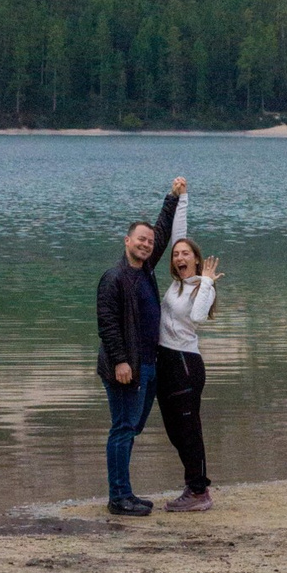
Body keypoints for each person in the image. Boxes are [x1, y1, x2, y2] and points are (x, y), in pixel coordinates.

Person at [95, 176, 184, 517]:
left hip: (148, 364)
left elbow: (161, 231)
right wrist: (120, 362)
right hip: (126, 366)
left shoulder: (146, 270)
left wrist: (172, 198)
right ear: (127, 241)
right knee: (122, 428)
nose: (146, 244)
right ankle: (118, 497)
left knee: (132, 428)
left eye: (149, 241)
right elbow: (107, 324)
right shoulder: (114, 277)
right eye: (140, 240)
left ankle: (125, 492)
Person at [152, 210, 221, 512]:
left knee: (189, 429)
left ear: (196, 260)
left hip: (184, 363)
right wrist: (181, 197)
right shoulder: (179, 283)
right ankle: (193, 484)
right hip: (166, 361)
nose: (180, 256)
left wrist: (206, 283)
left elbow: (198, 316)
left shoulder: (200, 287)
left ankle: (198, 491)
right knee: (174, 430)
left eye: (186, 254)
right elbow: (178, 235)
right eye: (176, 254)